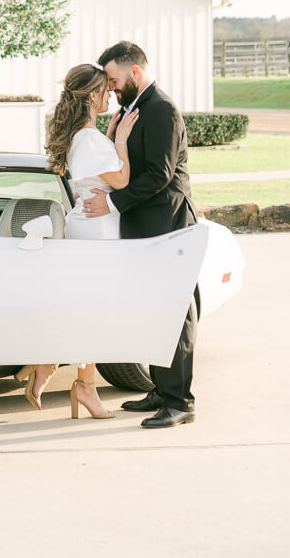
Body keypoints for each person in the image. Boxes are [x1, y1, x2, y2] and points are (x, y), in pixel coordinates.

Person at [81, 41, 198, 429]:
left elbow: (160, 175)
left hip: (168, 227)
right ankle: (161, 390)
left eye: (113, 79)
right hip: (144, 227)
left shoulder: (162, 110)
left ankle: (180, 402)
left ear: (135, 71)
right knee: (152, 311)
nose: (110, 87)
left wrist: (112, 203)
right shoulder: (130, 110)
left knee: (176, 314)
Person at [22, 63, 138, 419]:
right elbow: (119, 180)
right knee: (95, 311)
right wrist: (120, 141)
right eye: (106, 89)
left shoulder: (83, 135)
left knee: (88, 309)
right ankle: (74, 380)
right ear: (92, 95)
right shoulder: (89, 138)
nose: (111, 95)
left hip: (89, 225)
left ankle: (57, 367)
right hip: (97, 232)